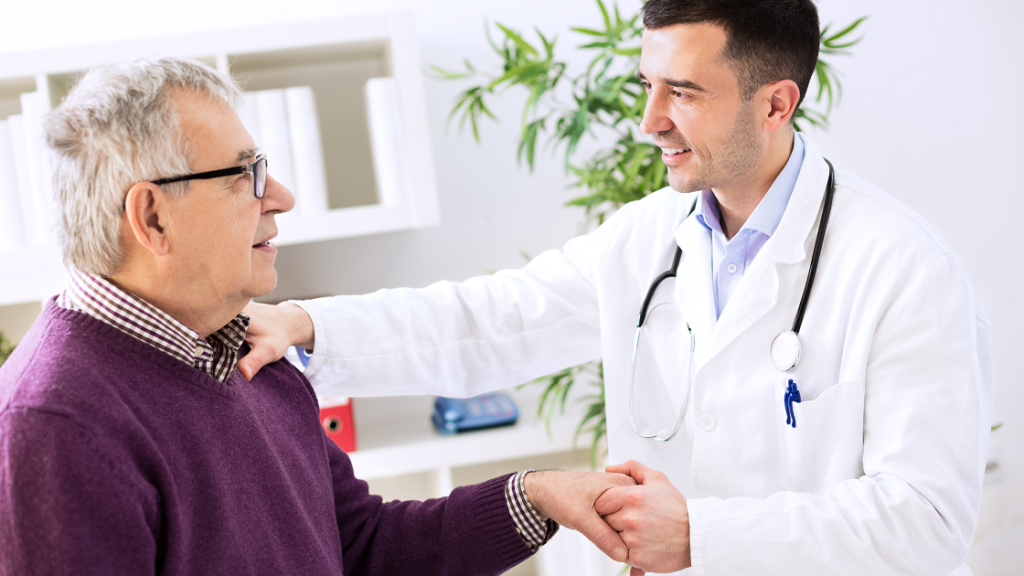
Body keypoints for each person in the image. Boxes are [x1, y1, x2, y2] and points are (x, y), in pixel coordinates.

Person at [240, 1, 993, 574]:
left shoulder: (903, 269)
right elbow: (492, 320)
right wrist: (306, 325)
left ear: (775, 104)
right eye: (647, 85)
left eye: (683, 93)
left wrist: (701, 535)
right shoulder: (645, 237)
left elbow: (926, 522)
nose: (648, 121)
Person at [0, 57, 639, 576]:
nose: (280, 197)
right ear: (152, 217)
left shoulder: (246, 356)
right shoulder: (55, 428)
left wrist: (536, 495)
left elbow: (358, 547)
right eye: (246, 175)